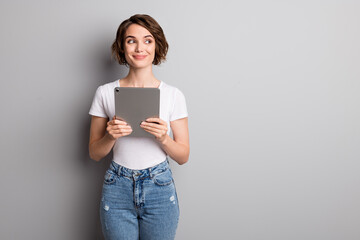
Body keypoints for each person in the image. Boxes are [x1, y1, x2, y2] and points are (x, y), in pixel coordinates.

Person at [88, 14, 190, 240]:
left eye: (148, 40)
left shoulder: (173, 95)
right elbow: (95, 153)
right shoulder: (105, 92)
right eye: (131, 40)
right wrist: (110, 136)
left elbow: (183, 156)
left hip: (159, 186)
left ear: (156, 46)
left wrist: (164, 138)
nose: (139, 47)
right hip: (117, 187)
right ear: (122, 47)